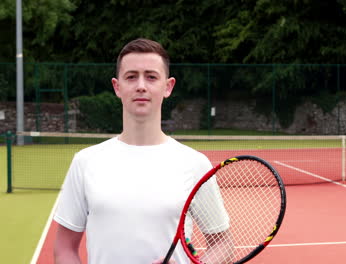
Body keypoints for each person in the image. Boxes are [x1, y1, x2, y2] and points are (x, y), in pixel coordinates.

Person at [53, 38, 231, 264]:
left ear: (168, 86)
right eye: (131, 76)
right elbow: (64, 248)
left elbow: (223, 244)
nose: (141, 86)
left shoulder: (194, 163)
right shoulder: (85, 162)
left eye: (151, 76)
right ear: (117, 87)